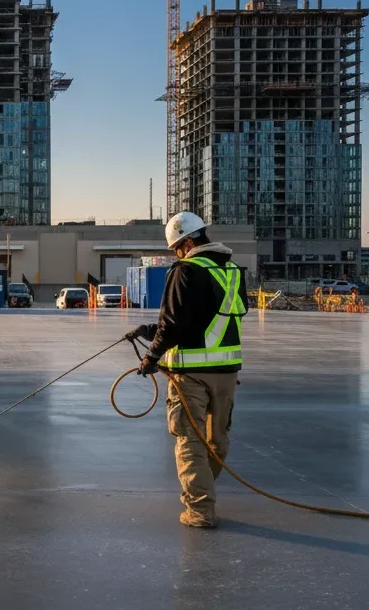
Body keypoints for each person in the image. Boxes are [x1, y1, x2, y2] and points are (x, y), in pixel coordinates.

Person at [125, 211, 248, 528]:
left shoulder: (185, 270)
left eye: (177, 247)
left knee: (189, 442)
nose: (177, 254)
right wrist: (148, 329)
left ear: (188, 241)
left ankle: (200, 509)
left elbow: (175, 323)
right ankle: (202, 495)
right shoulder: (232, 272)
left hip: (190, 374)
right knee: (217, 441)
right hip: (227, 373)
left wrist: (151, 356)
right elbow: (206, 318)